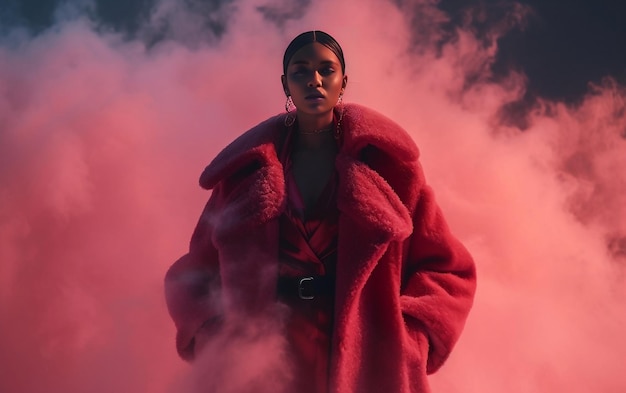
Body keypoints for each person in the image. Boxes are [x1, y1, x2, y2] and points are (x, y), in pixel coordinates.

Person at [165, 30, 476, 393]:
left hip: (368, 356)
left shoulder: (390, 168)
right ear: (286, 84)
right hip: (265, 351)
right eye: (301, 71)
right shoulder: (243, 174)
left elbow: (448, 270)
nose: (314, 80)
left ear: (343, 81)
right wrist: (214, 335)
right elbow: (194, 274)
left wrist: (410, 335)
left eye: (326, 70)